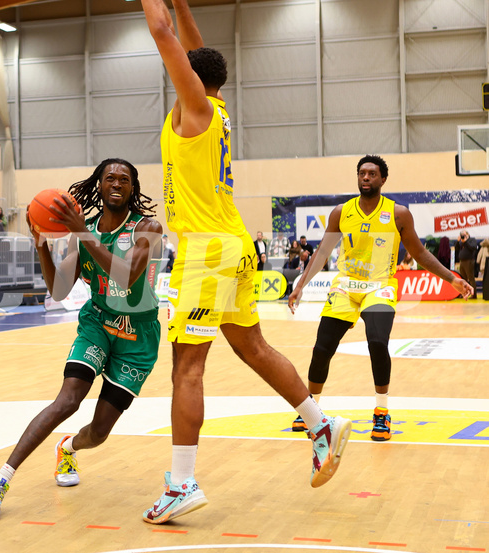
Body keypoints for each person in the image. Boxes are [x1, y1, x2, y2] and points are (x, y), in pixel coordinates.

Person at [140, 0, 352, 525]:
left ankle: (182, 483)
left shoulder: (195, 109)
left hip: (206, 249)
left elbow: (162, 30)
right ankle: (320, 425)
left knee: (187, 366)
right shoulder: (216, 107)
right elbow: (184, 38)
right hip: (232, 244)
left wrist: (165, 11)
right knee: (252, 345)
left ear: (191, 75)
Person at [0, 158, 163, 521]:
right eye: (110, 178)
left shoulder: (147, 227)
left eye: (125, 179)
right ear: (100, 185)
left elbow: (125, 277)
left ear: (133, 188)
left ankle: (68, 446)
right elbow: (59, 291)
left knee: (100, 432)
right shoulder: (84, 230)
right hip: (98, 322)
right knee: (67, 401)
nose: (117, 183)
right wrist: (41, 243)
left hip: (139, 336)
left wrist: (82, 232)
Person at [288, 155, 474, 440]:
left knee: (377, 342)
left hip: (380, 286)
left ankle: (381, 412)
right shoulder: (341, 212)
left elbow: (421, 253)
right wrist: (301, 284)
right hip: (346, 286)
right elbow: (323, 252)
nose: (366, 177)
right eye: (362, 173)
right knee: (322, 347)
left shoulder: (399, 213)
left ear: (383, 179)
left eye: (372, 174)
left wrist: (452, 278)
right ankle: (310, 409)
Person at [456, 231, 477, 299]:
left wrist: (466, 241)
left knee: (470, 278)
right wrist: (458, 241)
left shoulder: (472, 240)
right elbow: (457, 249)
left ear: (467, 234)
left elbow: (473, 248)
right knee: (463, 278)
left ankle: (474, 295)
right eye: (461, 234)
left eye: (464, 234)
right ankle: (463, 294)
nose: (463, 235)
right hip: (462, 261)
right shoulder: (461, 242)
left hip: (469, 261)